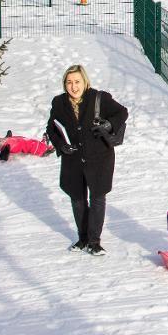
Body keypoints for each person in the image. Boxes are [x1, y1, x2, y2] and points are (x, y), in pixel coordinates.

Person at [46, 64, 128, 256]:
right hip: (72, 159)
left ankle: (94, 241)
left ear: (85, 82)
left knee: (98, 198)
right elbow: (51, 127)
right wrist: (60, 145)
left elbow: (122, 112)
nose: (73, 86)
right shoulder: (59, 103)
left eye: (77, 82)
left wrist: (108, 125)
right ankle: (82, 238)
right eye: (69, 82)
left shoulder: (99, 98)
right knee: (77, 199)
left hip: (99, 158)